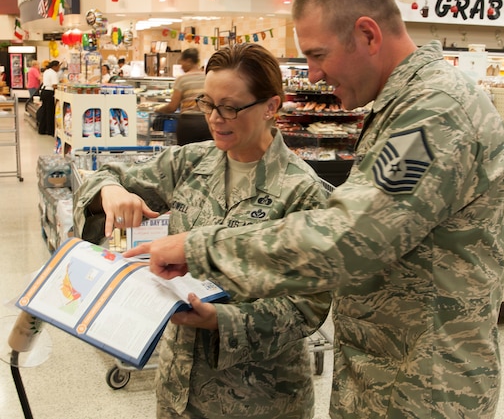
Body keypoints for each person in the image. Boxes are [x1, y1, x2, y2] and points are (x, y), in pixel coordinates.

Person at [127, 0, 504, 418]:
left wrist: (201, 247)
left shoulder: (434, 112)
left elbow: (349, 237)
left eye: (318, 54)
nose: (311, 75)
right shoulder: (406, 105)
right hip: (389, 379)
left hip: (424, 391)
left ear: (368, 35)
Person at [74, 43, 332, 419]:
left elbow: (307, 308)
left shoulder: (300, 190)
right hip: (180, 387)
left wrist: (220, 320)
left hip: (259, 398)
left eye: (229, 107)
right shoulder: (191, 162)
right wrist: (109, 191)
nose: (215, 118)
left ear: (270, 107)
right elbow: (106, 175)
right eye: (207, 104)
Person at [155, 48, 210, 145]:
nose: (181, 67)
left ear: (188, 61)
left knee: (185, 156)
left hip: (188, 123)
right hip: (207, 122)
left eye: (182, 63)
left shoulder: (182, 79)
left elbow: (172, 107)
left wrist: (158, 109)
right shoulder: (207, 77)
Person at [38, 60, 61, 136]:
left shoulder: (47, 71)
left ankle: (42, 129)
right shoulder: (54, 73)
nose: (59, 68)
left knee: (44, 111)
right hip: (49, 92)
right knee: (50, 112)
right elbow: (54, 85)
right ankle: (50, 130)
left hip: (44, 91)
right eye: (58, 66)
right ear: (55, 66)